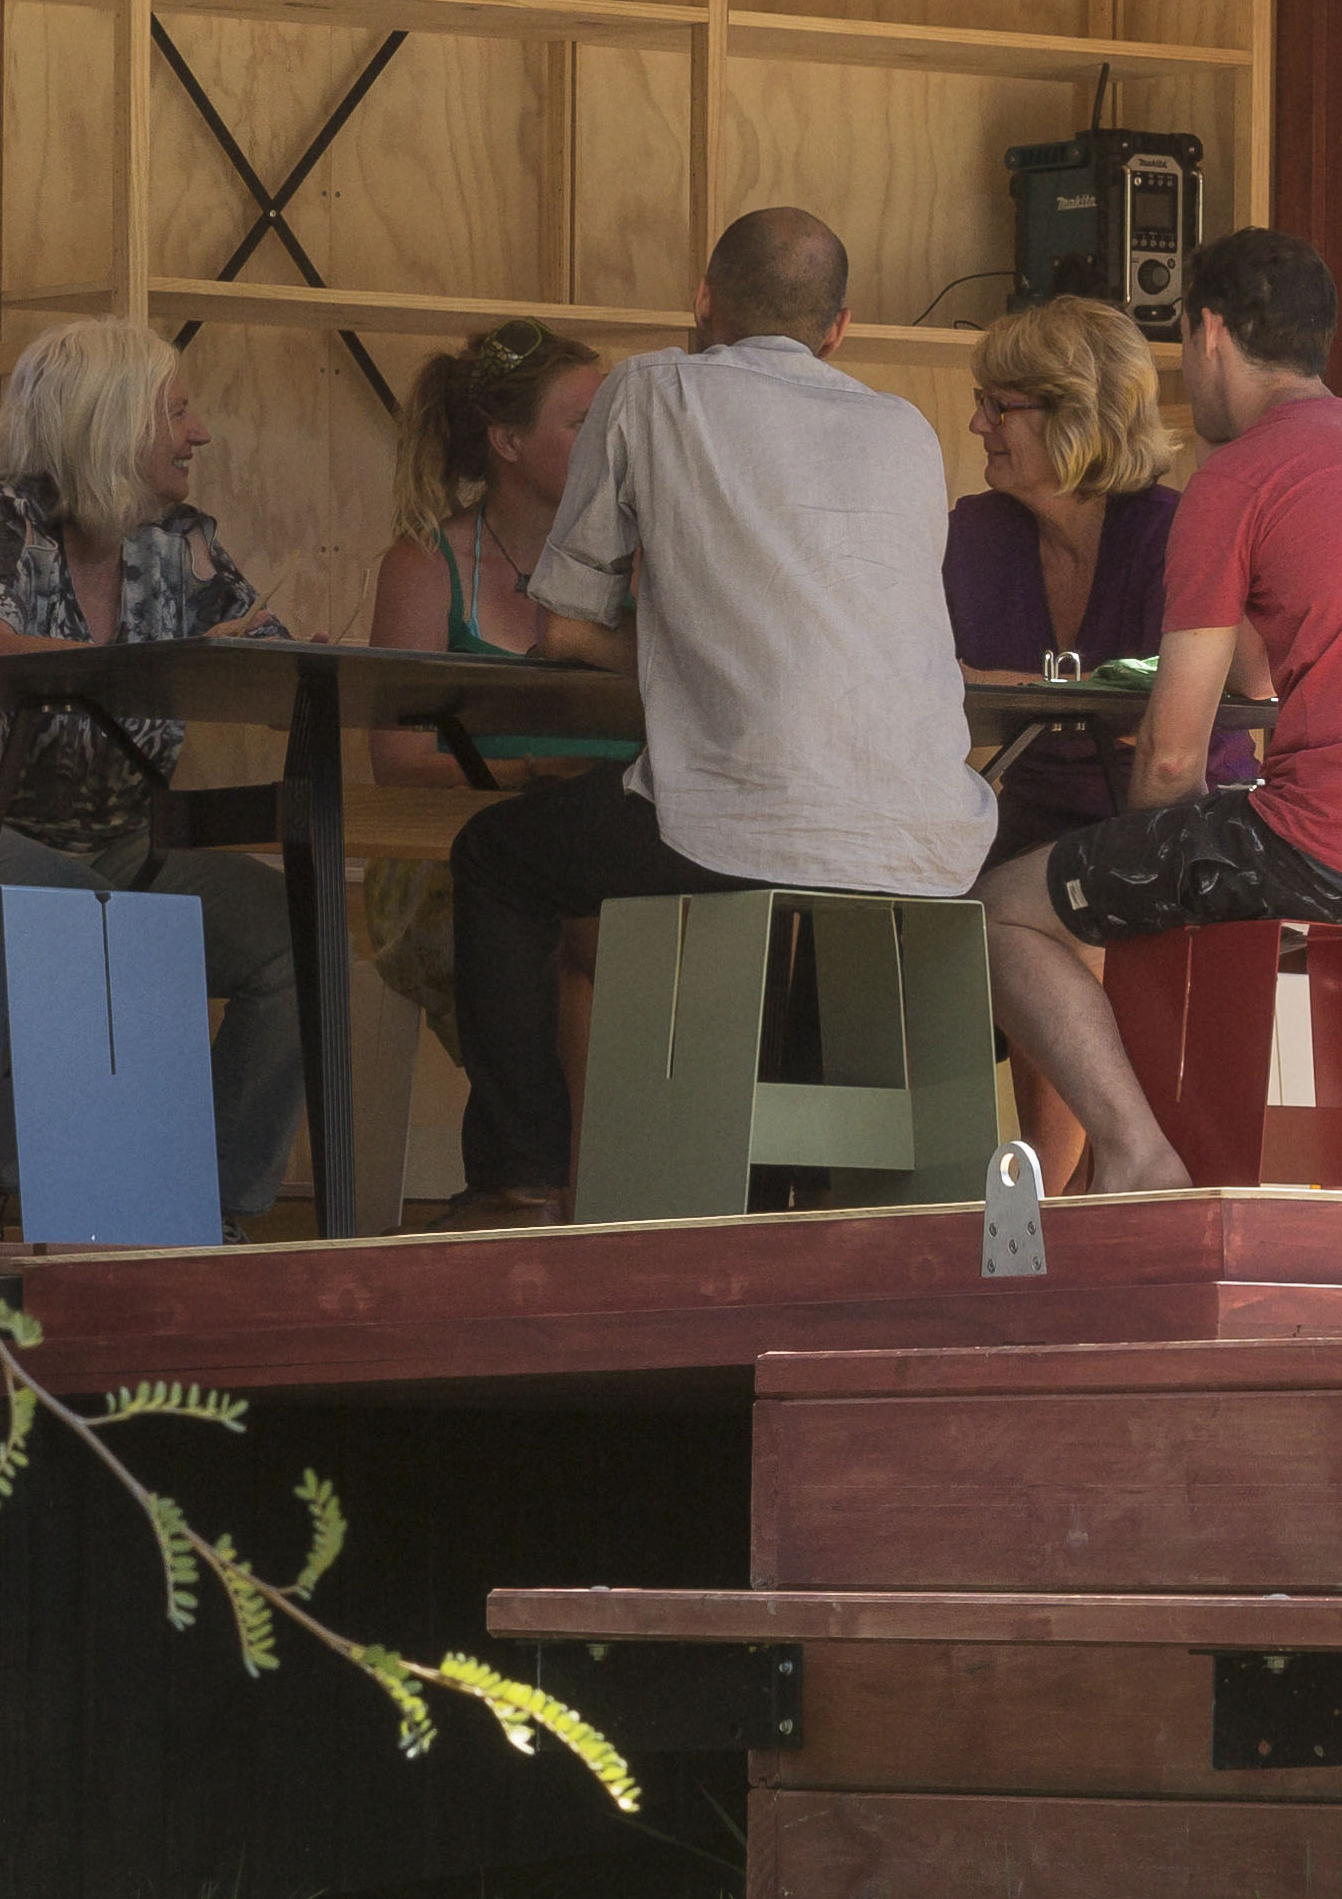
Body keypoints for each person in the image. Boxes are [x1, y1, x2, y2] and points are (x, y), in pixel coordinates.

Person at [434, 207, 1000, 1222]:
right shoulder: (905, 428)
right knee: (825, 884)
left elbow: (563, 626)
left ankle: (519, 1179)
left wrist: (692, 649)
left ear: (702, 301)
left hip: (738, 819)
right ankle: (821, 1189)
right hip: (930, 832)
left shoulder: (652, 388)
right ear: (842, 328)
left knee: (496, 859)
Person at [980, 227, 1342, 1193]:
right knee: (1151, 871)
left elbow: (1169, 756)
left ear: (1207, 335)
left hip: (1331, 856)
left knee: (1000, 912)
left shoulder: (1237, 473)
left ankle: (1135, 1154)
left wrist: (1151, 920)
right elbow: (1277, 685)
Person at [0, 313, 309, 1230]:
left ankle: (213, 1210)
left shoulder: (179, 542)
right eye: (175, 410)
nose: (197, 432)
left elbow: (259, 650)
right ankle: (75, 1210)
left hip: (125, 845)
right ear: (109, 421)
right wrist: (160, 658)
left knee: (296, 929)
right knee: (95, 921)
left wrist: (280, 652)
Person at [944, 289, 1192, 849]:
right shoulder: (974, 533)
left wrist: (1002, 687)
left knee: (994, 920)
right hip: (1032, 818)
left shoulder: (1173, 536)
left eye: (999, 407)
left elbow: (1165, 720)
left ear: (1077, 418)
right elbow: (922, 681)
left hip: (1168, 823)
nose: (976, 424)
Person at [366, 316, 623, 785]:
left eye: (612, 420)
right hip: (464, 844)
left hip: (630, 842)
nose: (611, 442)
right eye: (583, 424)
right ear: (508, 441)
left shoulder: (643, 558)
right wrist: (537, 774)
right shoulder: (426, 566)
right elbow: (399, 766)